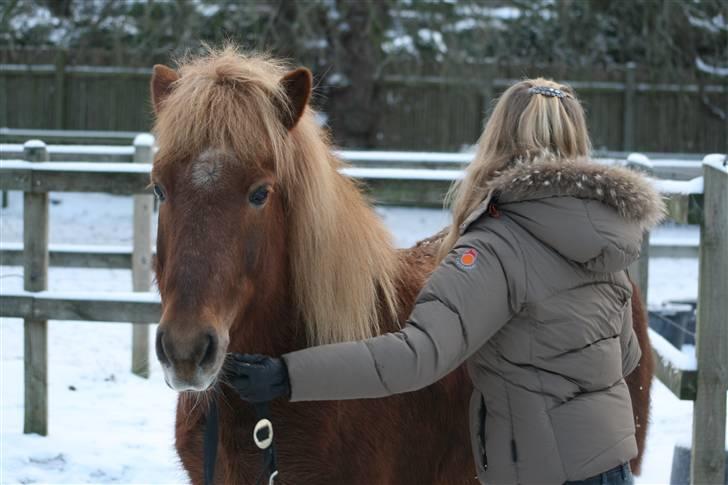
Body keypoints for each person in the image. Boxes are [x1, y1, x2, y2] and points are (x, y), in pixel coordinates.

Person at [226, 78, 665, 485]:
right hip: (610, 468)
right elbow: (625, 355)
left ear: (498, 138)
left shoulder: (496, 247)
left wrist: (288, 374)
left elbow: (418, 355)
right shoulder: (605, 246)